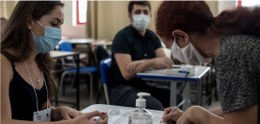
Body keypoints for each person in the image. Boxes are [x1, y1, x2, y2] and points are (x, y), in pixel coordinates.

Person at [0, 1, 108, 124]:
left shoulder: (40, 59)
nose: (58, 33)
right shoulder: (3, 61)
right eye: (54, 24)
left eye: (60, 25)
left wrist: (58, 112)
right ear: (29, 22)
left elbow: (40, 110)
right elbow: (4, 121)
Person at [155, 1, 260, 124]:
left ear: (181, 37)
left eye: (170, 47)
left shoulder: (230, 54)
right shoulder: (233, 42)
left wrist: (198, 115)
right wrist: (190, 114)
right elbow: (244, 109)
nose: (174, 53)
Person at [109, 0, 173, 110]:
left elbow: (165, 61)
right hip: (122, 88)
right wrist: (152, 61)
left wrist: (139, 62)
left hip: (144, 85)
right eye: (138, 12)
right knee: (154, 106)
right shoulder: (122, 37)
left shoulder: (152, 36)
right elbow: (127, 73)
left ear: (150, 15)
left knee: (178, 98)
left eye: (145, 12)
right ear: (130, 15)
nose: (142, 16)